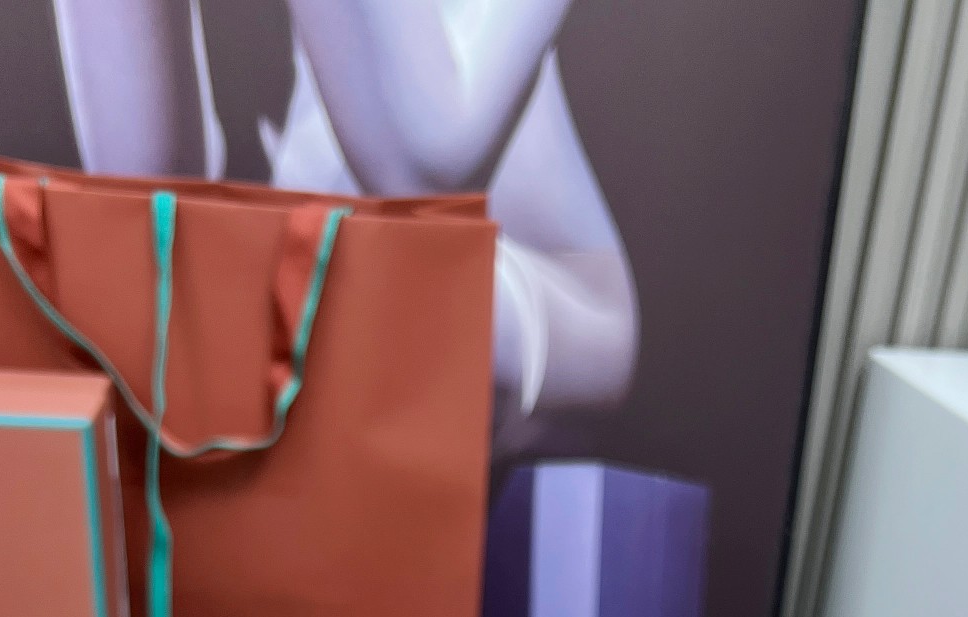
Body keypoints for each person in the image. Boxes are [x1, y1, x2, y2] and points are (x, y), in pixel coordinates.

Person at [52, 0, 638, 452]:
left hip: (539, 292)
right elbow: (146, 198)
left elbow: (423, 179)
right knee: (147, 309)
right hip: (328, 269)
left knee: (379, 297)